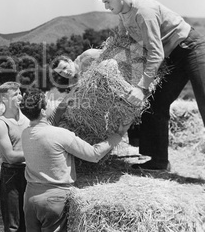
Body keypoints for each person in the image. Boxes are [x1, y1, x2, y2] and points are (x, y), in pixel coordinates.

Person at [94, 0, 205, 171]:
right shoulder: (123, 12)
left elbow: (156, 53)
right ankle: (158, 162)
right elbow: (123, 41)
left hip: (192, 49)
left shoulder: (144, 12)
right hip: (173, 57)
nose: (105, 7)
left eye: (107, 1)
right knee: (155, 103)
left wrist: (141, 87)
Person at [20, 89, 130, 231]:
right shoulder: (61, 134)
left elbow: (48, 124)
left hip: (30, 197)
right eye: (48, 103)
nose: (51, 105)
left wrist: (67, 99)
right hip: (54, 200)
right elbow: (94, 154)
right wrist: (119, 134)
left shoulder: (26, 133)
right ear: (42, 111)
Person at [0, 82, 30, 232]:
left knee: (29, 220)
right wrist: (37, 152)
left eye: (20, 93)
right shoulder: (1, 124)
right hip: (12, 174)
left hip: (31, 172)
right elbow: (10, 157)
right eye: (15, 94)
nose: (20, 96)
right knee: (14, 224)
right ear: (3, 98)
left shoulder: (28, 120)